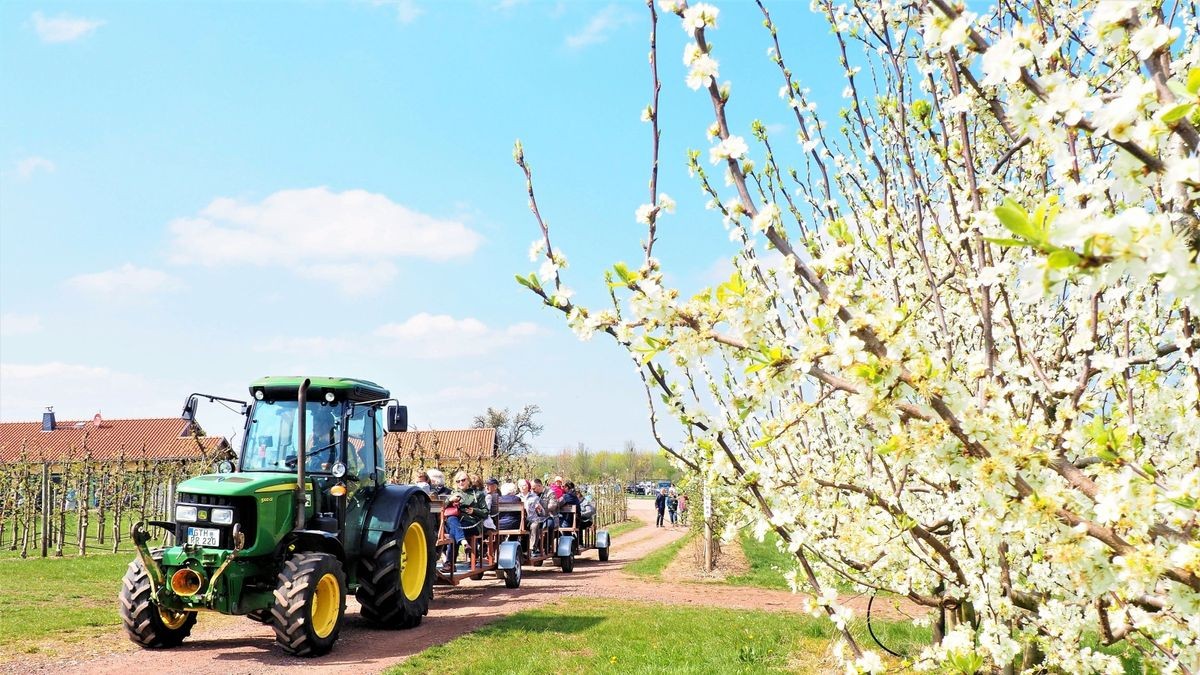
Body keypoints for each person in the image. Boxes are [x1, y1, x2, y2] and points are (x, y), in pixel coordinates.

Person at [518, 478, 546, 555]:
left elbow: (542, 513)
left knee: (535, 525)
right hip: (521, 521)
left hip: (532, 520)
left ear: (528, 486)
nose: (522, 487)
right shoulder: (517, 497)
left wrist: (539, 509)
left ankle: (532, 548)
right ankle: (519, 549)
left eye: (524, 485)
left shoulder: (534, 497)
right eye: (520, 486)